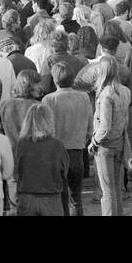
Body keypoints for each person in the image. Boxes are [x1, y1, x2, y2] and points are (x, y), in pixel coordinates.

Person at [41, 62, 92, 215]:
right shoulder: (84, 97)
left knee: (60, 199)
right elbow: (90, 127)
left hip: (56, 153)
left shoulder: (49, 100)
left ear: (55, 80)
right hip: (77, 150)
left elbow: (44, 130)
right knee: (76, 198)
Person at [88, 55, 130, 216]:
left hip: (105, 146)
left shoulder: (106, 95)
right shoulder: (125, 91)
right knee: (116, 188)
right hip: (119, 141)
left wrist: (94, 142)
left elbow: (105, 126)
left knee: (107, 190)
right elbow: (125, 119)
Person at [13, 103, 69, 216]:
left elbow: (15, 173)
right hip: (51, 199)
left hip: (26, 197)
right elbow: (65, 172)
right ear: (49, 120)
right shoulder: (57, 145)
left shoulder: (21, 144)